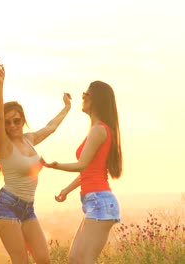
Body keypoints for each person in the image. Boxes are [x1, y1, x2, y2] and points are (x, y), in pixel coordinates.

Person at [0, 61, 71, 264]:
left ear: (22, 120)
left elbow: (51, 127)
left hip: (27, 208)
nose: (11, 125)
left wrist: (67, 107)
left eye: (16, 120)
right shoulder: (4, 145)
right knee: (21, 261)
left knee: (44, 259)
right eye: (8, 121)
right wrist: (0, 84)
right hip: (7, 206)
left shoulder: (29, 139)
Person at [42, 81, 123, 264]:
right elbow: (87, 171)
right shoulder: (97, 130)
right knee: (74, 259)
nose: (83, 97)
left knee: (85, 260)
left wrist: (55, 165)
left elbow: (81, 164)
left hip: (100, 202)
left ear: (96, 100)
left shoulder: (98, 130)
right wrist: (66, 190)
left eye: (86, 94)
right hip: (94, 201)